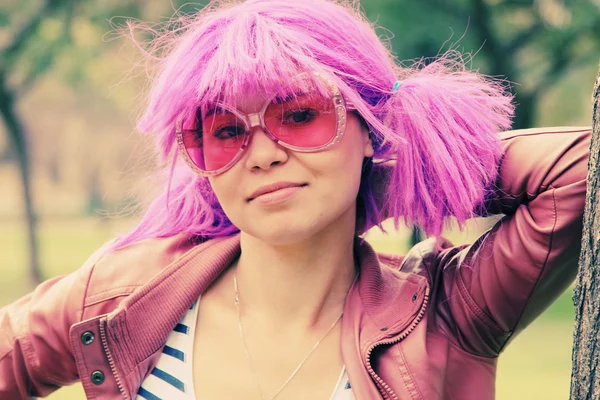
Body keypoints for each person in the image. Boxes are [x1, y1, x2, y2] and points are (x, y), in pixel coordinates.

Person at [0, 0, 591, 399]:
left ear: (371, 126)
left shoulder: (444, 318)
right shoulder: (120, 295)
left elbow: (579, 170)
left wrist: (399, 172)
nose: (261, 155)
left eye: (301, 116)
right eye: (226, 131)